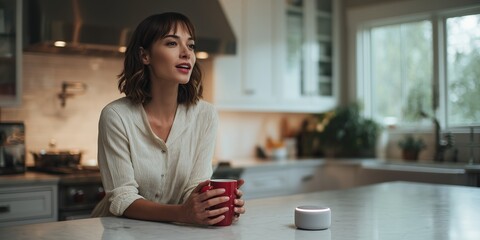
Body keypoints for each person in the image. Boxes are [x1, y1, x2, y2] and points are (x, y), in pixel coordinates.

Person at [91, 12, 245, 226]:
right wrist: (182, 213)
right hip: (118, 231)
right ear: (145, 56)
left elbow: (194, 187)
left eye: (190, 46)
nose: (186, 53)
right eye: (172, 43)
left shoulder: (205, 115)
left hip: (175, 232)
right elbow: (122, 198)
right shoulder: (116, 116)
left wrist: (213, 204)